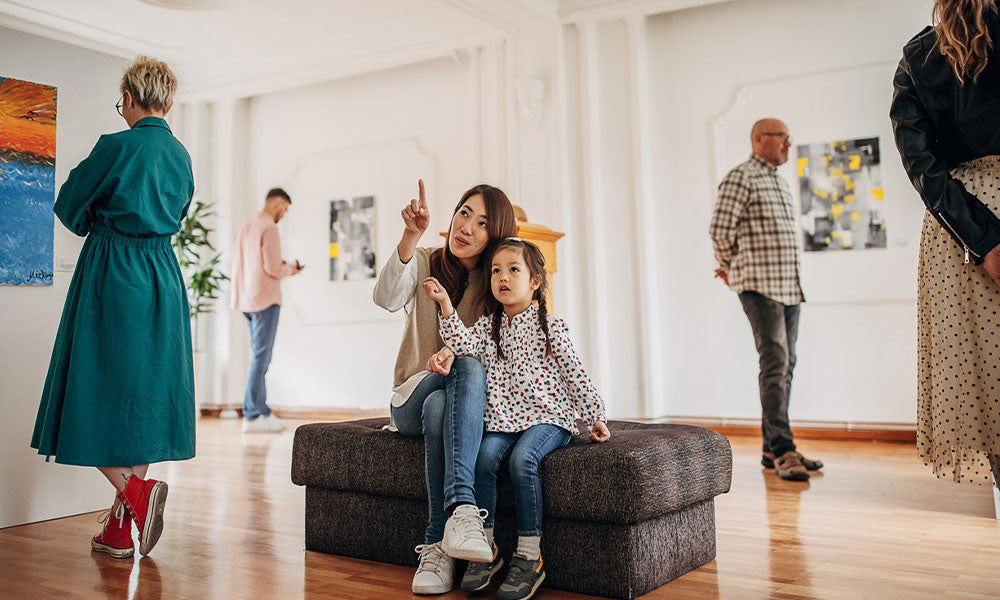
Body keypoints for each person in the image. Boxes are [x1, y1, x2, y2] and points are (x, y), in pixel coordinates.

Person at [30, 56, 194, 559]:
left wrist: (97, 224)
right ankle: (121, 530)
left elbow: (67, 202)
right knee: (143, 397)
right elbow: (178, 214)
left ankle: (137, 494)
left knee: (92, 389)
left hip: (112, 272)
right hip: (162, 277)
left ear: (129, 97)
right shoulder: (182, 155)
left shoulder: (115, 146)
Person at [423, 238, 610, 600]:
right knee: (482, 459)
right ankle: (486, 549)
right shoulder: (488, 325)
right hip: (504, 419)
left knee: (523, 461)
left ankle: (528, 556)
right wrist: (446, 304)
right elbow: (461, 345)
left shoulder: (551, 327)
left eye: (513, 270)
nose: (502, 277)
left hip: (548, 418)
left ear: (535, 281)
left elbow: (575, 372)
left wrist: (595, 415)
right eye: (496, 271)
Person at [373, 180, 517, 594]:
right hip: (409, 399)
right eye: (464, 213)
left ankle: (437, 545)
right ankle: (465, 506)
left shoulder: (495, 287)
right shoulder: (423, 262)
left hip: (446, 406)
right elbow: (385, 297)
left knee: (444, 402)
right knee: (459, 372)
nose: (467, 226)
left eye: (482, 222)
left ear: (496, 235)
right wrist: (411, 235)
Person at [890, 0, 1000, 489]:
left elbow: (923, 169)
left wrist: (983, 239)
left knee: (988, 397)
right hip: (968, 236)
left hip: (956, 232)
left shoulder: (918, 56)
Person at [709, 118, 823, 482]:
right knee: (775, 363)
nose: (789, 144)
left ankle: (769, 446)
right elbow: (720, 229)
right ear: (760, 139)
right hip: (759, 284)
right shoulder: (741, 176)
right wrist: (731, 266)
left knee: (786, 364)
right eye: (783, 138)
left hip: (788, 285)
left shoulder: (777, 180)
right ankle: (782, 449)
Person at [230, 187, 303, 433]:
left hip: (245, 299)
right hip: (264, 299)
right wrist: (291, 269)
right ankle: (252, 414)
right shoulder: (269, 228)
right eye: (284, 209)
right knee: (262, 357)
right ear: (276, 204)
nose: (283, 214)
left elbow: (248, 263)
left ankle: (261, 411)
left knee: (259, 356)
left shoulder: (245, 227)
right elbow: (272, 268)